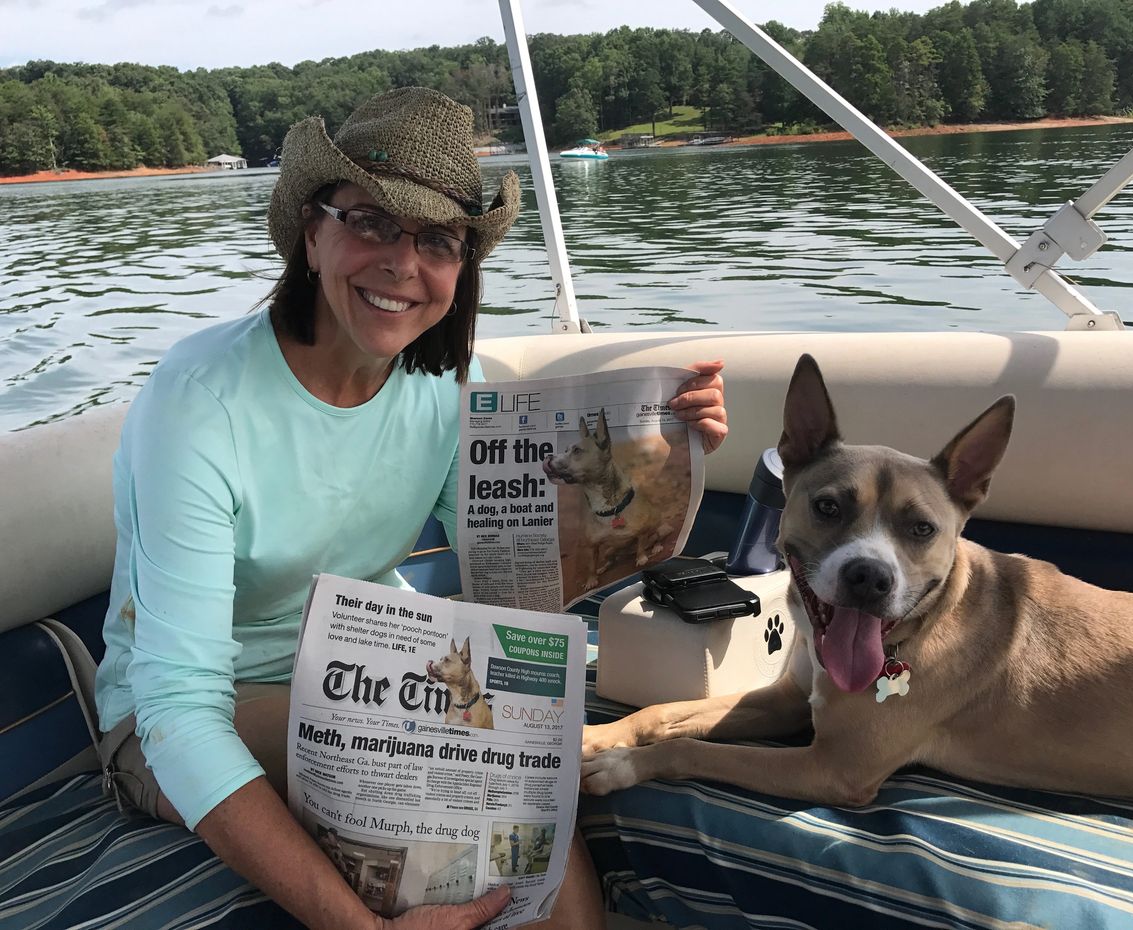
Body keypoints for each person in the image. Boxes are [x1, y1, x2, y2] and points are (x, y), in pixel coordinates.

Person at [92, 86, 728, 930]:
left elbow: (525, 582)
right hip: (189, 709)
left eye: (438, 240)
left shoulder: (443, 390)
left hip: (378, 673)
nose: (403, 264)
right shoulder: (201, 399)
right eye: (370, 223)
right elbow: (178, 706)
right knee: (478, 800)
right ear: (311, 232)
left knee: (541, 854)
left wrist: (663, 461)